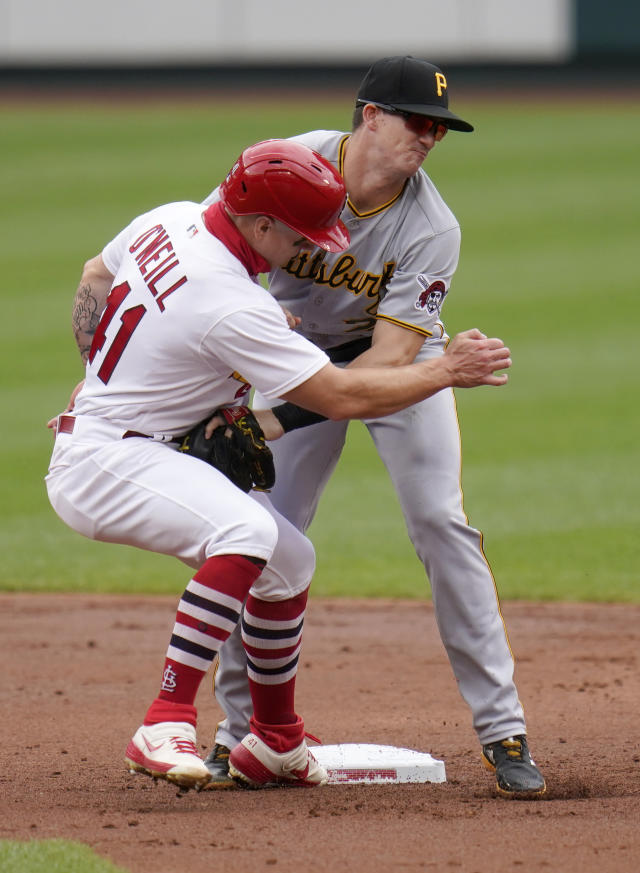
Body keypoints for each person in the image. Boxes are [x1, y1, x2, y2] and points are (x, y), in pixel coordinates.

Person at [46, 137, 513, 792]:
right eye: (303, 237)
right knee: (248, 532)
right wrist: (446, 370)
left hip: (123, 438)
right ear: (261, 224)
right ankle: (166, 715)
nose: (314, 251)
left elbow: (97, 272)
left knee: (289, 559)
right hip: (107, 462)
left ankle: (274, 741)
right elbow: (341, 394)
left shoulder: (171, 218)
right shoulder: (233, 302)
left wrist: (97, 371)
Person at [202, 57, 547, 798]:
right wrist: (260, 322)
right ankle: (237, 735)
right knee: (260, 532)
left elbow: (383, 366)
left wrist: (265, 417)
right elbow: (213, 253)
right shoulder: (286, 163)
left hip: (400, 362)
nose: (428, 138)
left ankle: (503, 727)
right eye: (415, 121)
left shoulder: (431, 226)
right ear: (368, 115)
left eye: (439, 129)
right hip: (293, 357)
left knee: (440, 520)